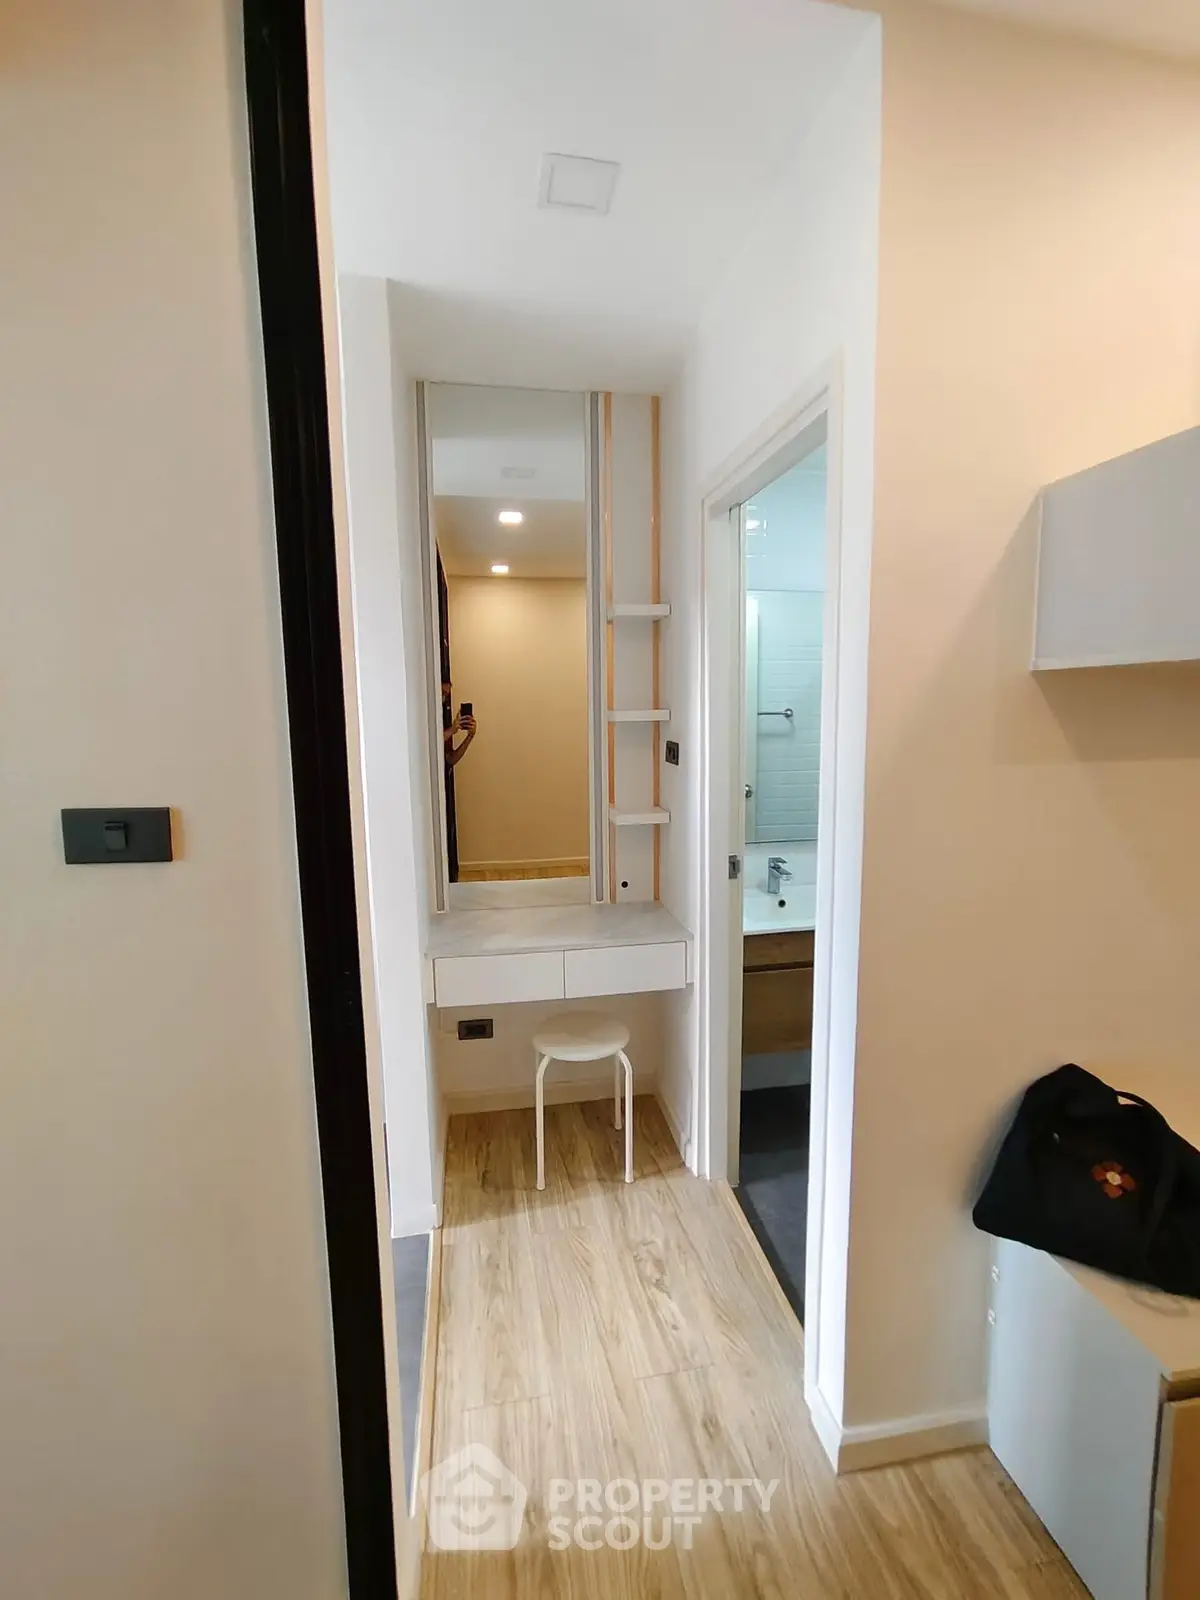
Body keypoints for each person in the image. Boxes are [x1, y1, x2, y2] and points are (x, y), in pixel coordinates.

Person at [442, 684, 477, 769]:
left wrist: (470, 736)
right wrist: (451, 731)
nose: (444, 698)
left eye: (446, 695)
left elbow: (451, 760)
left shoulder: (444, 716)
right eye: (442, 693)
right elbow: (429, 745)